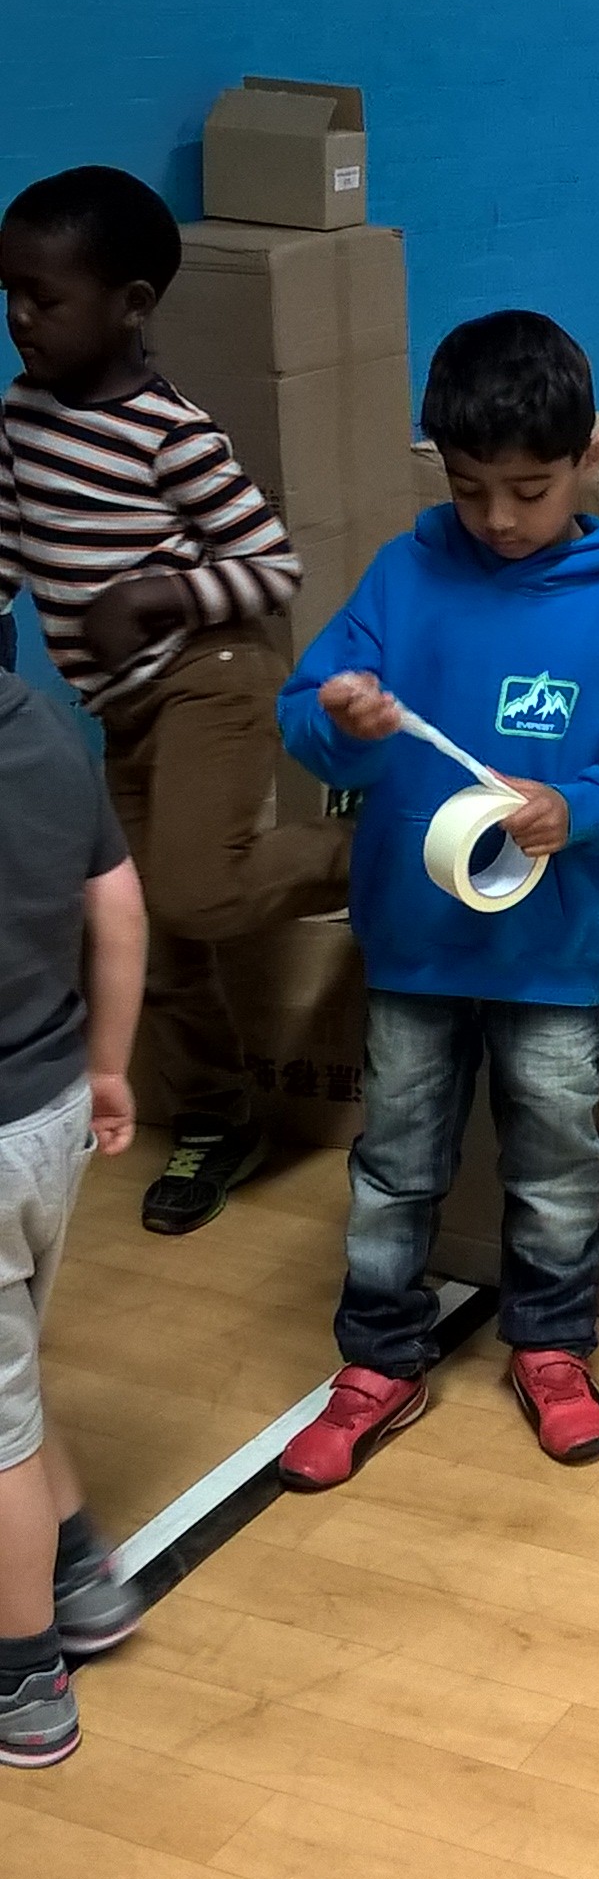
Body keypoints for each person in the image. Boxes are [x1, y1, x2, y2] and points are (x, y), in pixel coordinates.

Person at [274, 310, 599, 1488]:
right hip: (415, 947)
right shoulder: (404, 574)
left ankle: (551, 1346)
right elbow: (308, 716)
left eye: (529, 489)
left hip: (555, 954)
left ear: (592, 457)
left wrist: (578, 808)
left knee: (557, 1160)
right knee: (395, 1160)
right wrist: (340, 720)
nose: (498, 518)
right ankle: (379, 1358)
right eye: (469, 488)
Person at [0, 166, 349, 1235]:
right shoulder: (21, 414)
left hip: (210, 674)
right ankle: (214, 1115)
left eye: (45, 298)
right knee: (145, 930)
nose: (20, 318)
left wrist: (155, 596)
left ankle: (362, 847)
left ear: (133, 305)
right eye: (9, 293)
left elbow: (271, 569)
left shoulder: (171, 433)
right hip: (122, 707)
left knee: (198, 895)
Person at [0, 669, 149, 1768]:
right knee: (10, 1377)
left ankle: (23, 1677)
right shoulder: (44, 719)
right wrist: (107, 1067)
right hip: (53, 1115)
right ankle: (78, 1570)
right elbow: (119, 904)